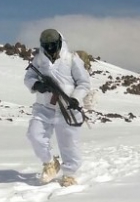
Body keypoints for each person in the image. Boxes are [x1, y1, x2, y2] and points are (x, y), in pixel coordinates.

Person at [24, 29, 91, 186]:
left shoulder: (72, 59)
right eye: (46, 45)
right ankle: (50, 163)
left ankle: (69, 174)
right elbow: (29, 77)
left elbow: (83, 83)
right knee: (34, 135)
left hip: (68, 108)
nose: (49, 49)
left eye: (52, 45)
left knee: (69, 144)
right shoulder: (38, 60)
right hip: (44, 107)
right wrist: (36, 85)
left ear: (59, 43)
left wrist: (75, 98)